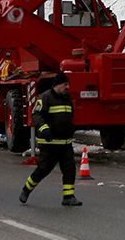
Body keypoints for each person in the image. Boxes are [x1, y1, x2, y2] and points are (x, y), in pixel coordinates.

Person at [20, 74, 81, 207]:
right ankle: (26, 190)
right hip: (50, 143)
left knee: (69, 169)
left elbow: (69, 116)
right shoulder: (45, 97)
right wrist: (44, 129)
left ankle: (68, 197)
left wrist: (71, 128)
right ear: (57, 85)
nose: (68, 87)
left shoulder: (67, 98)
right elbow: (36, 114)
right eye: (65, 85)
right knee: (44, 169)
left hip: (65, 143)